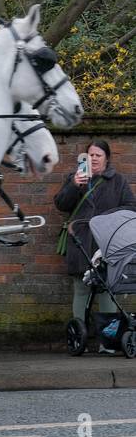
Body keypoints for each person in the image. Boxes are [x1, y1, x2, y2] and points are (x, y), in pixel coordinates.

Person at [54, 139, 136, 340]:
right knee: (81, 289)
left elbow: (130, 207)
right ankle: (79, 338)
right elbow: (61, 204)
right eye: (90, 155)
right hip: (80, 242)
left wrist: (105, 220)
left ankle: (108, 341)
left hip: (106, 243)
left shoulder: (117, 181)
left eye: (98, 155)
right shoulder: (75, 178)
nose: (94, 158)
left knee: (107, 291)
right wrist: (74, 185)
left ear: (107, 158)